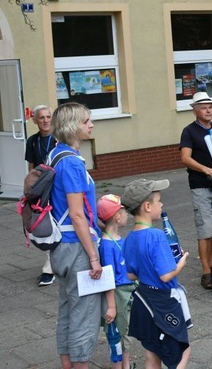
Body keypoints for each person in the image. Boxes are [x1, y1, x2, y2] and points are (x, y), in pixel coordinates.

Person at [48, 102, 102, 369]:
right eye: (85, 121)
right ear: (72, 127)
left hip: (60, 246)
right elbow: (77, 214)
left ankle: (68, 364)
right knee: (85, 313)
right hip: (76, 246)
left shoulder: (55, 155)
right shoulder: (71, 163)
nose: (91, 125)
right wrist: (93, 256)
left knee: (68, 309)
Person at [122, 178, 192, 369]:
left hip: (144, 301)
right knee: (182, 351)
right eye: (158, 200)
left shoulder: (129, 239)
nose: (161, 204)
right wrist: (180, 263)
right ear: (147, 206)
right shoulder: (157, 236)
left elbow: (130, 275)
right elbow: (166, 276)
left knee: (152, 353)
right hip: (164, 302)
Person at [179, 91, 212, 289]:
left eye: (210, 106)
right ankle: (206, 271)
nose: (208, 110)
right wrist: (205, 169)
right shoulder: (189, 131)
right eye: (203, 107)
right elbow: (185, 158)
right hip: (201, 186)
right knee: (204, 229)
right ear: (195, 111)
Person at [97, 194, 136, 369]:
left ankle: (126, 366)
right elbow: (108, 278)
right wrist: (111, 306)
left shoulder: (119, 239)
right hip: (118, 295)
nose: (128, 215)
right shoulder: (107, 245)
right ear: (118, 217)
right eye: (125, 212)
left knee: (125, 332)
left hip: (127, 293)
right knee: (116, 335)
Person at [25, 105, 58, 286]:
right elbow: (31, 169)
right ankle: (50, 266)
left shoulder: (58, 139)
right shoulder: (33, 141)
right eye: (41, 117)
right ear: (35, 120)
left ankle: (52, 266)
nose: (45, 120)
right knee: (46, 225)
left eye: (48, 117)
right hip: (42, 189)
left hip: (58, 186)